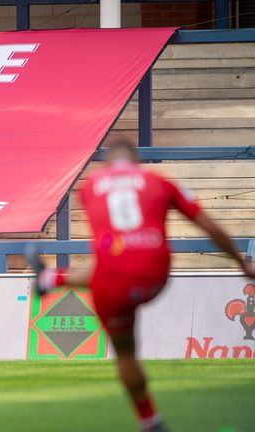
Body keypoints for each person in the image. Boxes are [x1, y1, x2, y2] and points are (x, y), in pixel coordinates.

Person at [26, 138, 255, 432]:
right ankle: (50, 278)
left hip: (113, 282)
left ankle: (150, 421)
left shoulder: (90, 187)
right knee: (115, 261)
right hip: (156, 275)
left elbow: (107, 244)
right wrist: (241, 264)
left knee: (125, 351)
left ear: (108, 165)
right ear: (137, 162)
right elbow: (209, 226)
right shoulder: (158, 181)